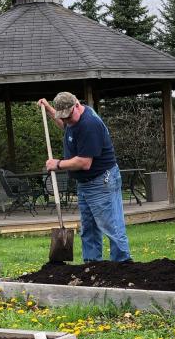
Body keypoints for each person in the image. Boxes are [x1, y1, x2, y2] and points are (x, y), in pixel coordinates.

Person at [38, 92, 132, 262]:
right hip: (85, 183)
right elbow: (64, 124)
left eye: (68, 117)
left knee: (111, 226)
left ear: (76, 105)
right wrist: (49, 109)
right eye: (63, 117)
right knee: (88, 228)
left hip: (101, 181)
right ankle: (92, 266)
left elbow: (84, 163)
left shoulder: (89, 124)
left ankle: (123, 265)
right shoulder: (72, 119)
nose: (66, 121)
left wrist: (57, 164)